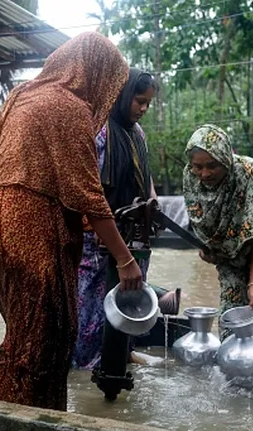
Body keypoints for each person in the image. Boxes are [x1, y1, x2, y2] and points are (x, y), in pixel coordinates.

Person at [0, 32, 142, 411]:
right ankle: (31, 427)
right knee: (49, 334)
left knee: (23, 330)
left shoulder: (22, 94)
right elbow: (88, 192)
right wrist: (125, 258)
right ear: (95, 73)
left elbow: (13, 160)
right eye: (110, 84)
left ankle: (11, 410)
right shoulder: (68, 106)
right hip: (27, 221)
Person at [73, 69, 179, 370]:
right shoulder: (100, 131)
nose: (143, 108)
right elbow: (89, 189)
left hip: (135, 232)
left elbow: (145, 177)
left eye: (148, 103)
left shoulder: (138, 134)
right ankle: (87, 364)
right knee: (92, 302)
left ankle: (124, 353)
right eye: (139, 100)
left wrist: (153, 200)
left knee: (131, 297)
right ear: (122, 95)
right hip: (100, 237)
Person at [182, 125, 253, 336]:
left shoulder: (251, 176)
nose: (204, 173)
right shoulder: (191, 178)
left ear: (226, 158)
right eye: (198, 166)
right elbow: (204, 221)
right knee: (231, 311)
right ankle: (229, 358)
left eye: (212, 166)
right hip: (228, 248)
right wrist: (209, 248)